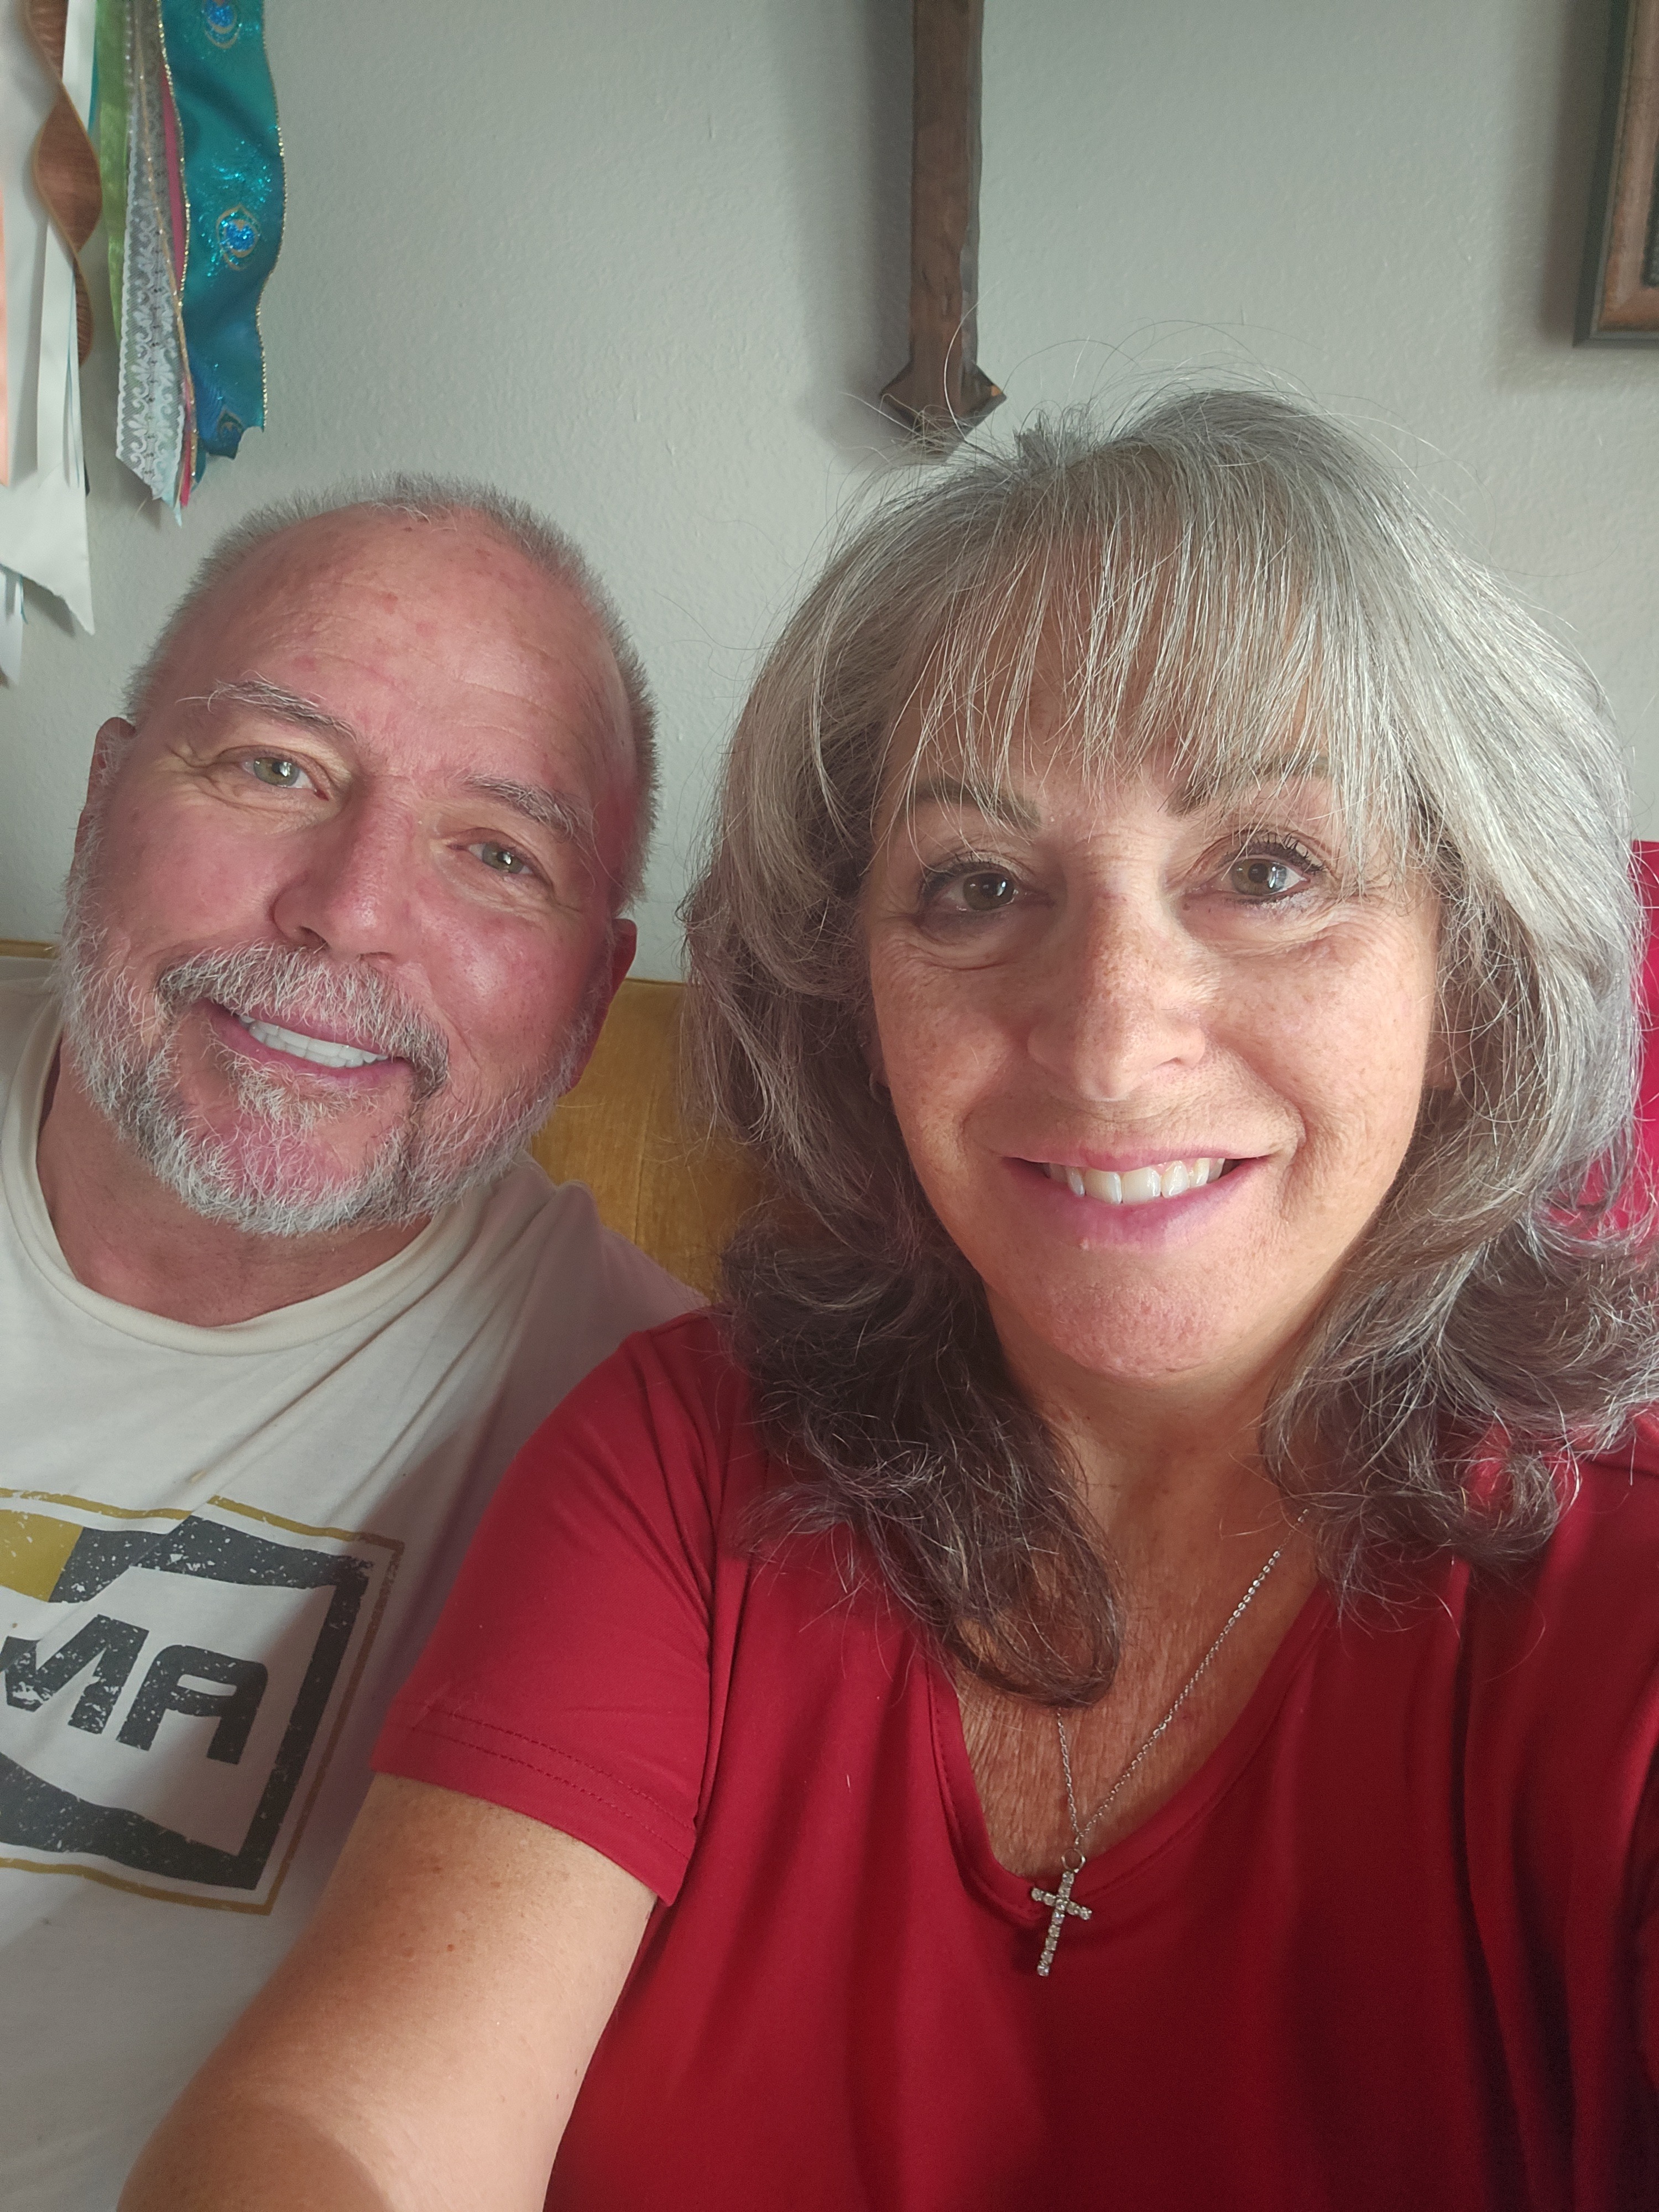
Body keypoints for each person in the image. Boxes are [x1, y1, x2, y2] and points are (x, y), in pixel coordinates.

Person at [123, 394, 1659, 2211]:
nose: (1109, 1039)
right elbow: (342, 2132)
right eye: (977, 886)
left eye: (1269, 871)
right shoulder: (682, 1460)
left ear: (1466, 981)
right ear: (853, 1000)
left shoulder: (1612, 1611)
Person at [0, 482, 697, 2212]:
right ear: (100, 799)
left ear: (591, 998)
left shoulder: (670, 1451)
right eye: (275, 768)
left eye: (498, 854)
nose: (349, 908)